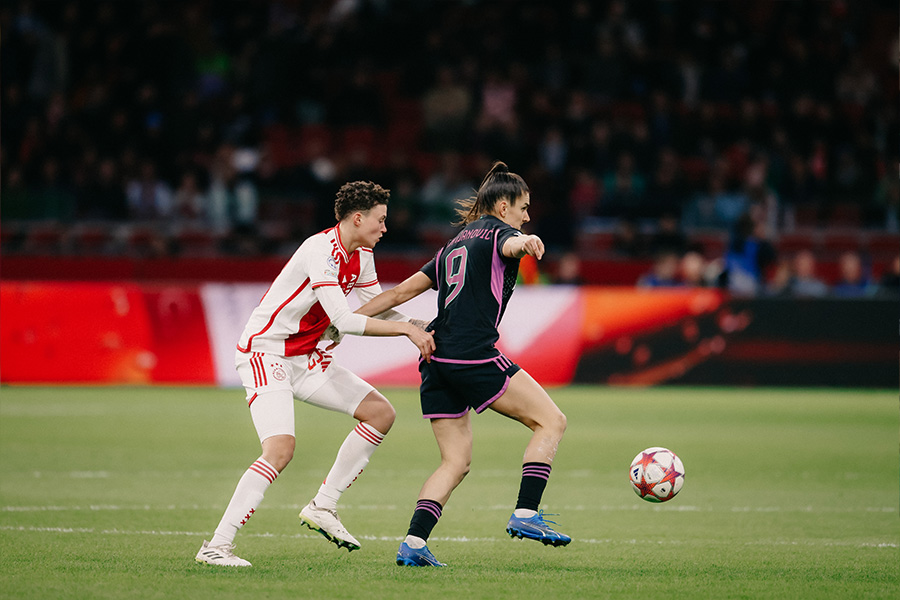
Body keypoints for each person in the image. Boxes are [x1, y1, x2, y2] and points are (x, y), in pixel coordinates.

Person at [195, 181, 435, 567]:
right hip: (266, 352)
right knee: (280, 450)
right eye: (380, 219)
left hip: (306, 357)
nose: (385, 227)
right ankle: (217, 546)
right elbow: (345, 320)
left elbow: (374, 305)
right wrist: (406, 331)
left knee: (380, 413)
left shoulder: (362, 253)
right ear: (358, 218)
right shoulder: (320, 250)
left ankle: (323, 505)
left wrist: (417, 323)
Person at [352, 162, 570, 568]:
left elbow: (399, 293)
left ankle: (413, 543)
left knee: (455, 461)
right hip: (472, 354)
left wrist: (343, 322)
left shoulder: (455, 243)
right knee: (551, 421)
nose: (527, 217)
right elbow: (511, 245)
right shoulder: (503, 234)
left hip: (435, 357)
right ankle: (526, 513)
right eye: (524, 208)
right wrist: (527, 242)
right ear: (503, 206)